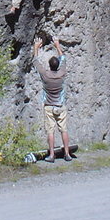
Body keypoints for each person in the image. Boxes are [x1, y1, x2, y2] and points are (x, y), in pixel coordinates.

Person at [33, 34, 73, 162]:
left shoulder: (45, 75)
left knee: (50, 132)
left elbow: (35, 61)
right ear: (57, 66)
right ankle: (67, 154)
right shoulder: (61, 74)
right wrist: (57, 45)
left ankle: (51, 155)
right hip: (61, 106)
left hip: (49, 106)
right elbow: (63, 58)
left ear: (49, 66)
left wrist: (36, 47)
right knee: (64, 130)